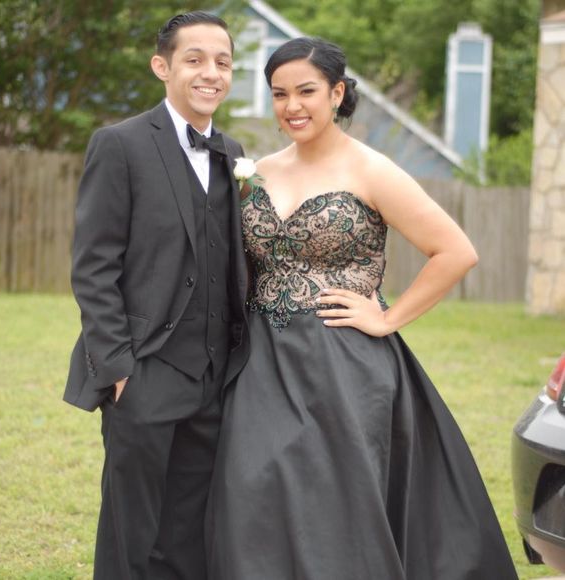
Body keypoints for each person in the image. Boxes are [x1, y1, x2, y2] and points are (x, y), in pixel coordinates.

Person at [205, 37, 518, 579]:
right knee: (251, 489)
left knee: (334, 504)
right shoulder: (256, 172)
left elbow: (456, 252)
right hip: (260, 360)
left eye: (306, 91)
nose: (292, 106)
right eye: (279, 94)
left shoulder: (372, 170)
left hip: (343, 364)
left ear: (337, 93)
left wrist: (387, 318)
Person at [63, 12, 249, 580]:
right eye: (195, 59)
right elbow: (93, 266)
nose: (211, 72)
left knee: (190, 529)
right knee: (132, 529)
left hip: (215, 376)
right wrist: (119, 369)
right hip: (144, 371)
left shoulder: (233, 152)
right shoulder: (119, 144)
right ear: (162, 67)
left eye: (222, 62)